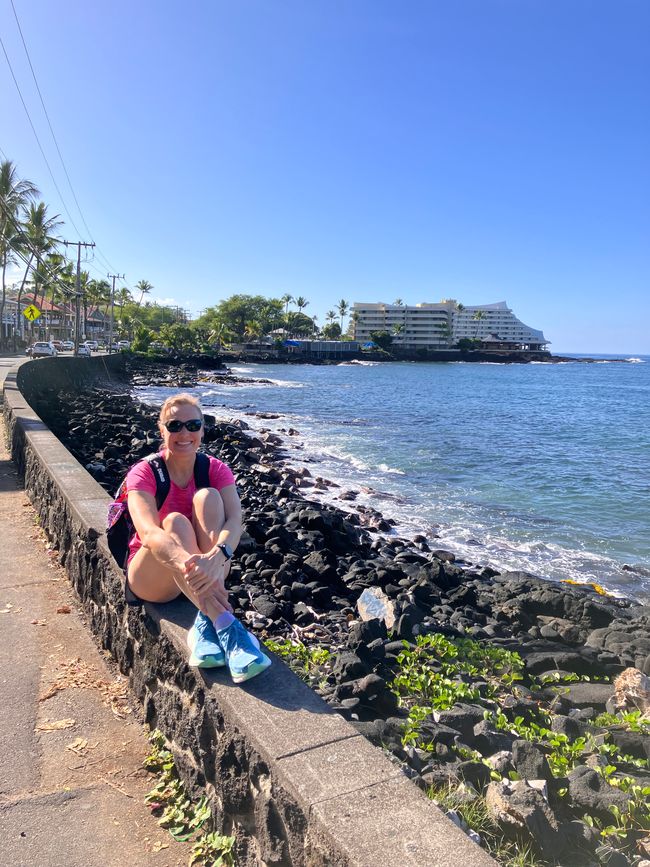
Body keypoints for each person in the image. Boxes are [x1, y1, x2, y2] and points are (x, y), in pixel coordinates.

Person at [125, 393, 270, 683]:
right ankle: (228, 625)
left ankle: (206, 624)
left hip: (205, 571)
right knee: (174, 522)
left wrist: (216, 556)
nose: (184, 433)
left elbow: (234, 521)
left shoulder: (215, 469)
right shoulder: (144, 472)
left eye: (193, 425)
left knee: (208, 497)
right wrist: (191, 564)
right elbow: (150, 534)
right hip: (152, 577)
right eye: (174, 425)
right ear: (161, 428)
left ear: (203, 429)